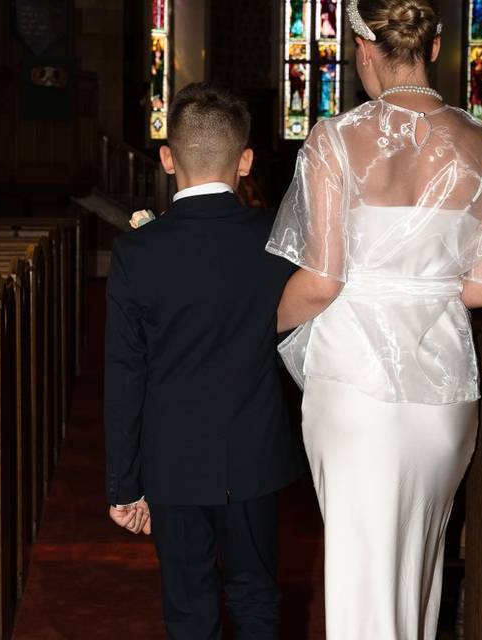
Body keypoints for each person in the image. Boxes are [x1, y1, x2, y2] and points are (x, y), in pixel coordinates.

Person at [266, 0, 482, 637]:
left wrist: (261, 321)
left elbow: (322, 280)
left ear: (362, 50)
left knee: (361, 567)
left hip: (356, 383)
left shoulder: (334, 139)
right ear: (434, 48)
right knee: (417, 562)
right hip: (442, 389)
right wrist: (421, 284)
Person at [103, 83, 303, 640]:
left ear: (167, 159)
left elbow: (124, 374)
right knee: (258, 596)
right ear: (245, 161)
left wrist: (123, 484)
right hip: (255, 451)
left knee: (189, 607)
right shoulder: (276, 241)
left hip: (172, 460)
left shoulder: (137, 251)